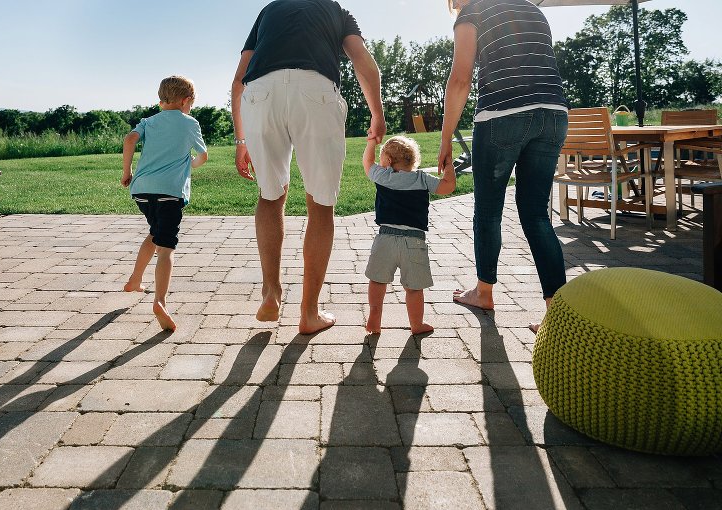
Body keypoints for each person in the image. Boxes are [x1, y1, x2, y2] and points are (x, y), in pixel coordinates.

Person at [231, 0, 386, 334]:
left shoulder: (270, 10)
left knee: (270, 196)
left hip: (260, 94)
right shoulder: (336, 11)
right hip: (315, 91)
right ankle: (309, 313)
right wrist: (377, 112)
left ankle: (271, 292)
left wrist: (241, 140)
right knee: (321, 204)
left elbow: (239, 79)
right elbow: (361, 59)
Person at [438, 0, 569, 332]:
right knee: (537, 213)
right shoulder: (533, 10)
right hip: (553, 114)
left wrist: (445, 139)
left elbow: (460, 79)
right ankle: (556, 315)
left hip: (501, 116)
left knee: (487, 210)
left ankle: (483, 293)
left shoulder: (472, 12)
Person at [121, 75, 208, 331]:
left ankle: (135, 280)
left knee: (155, 233)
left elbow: (129, 139)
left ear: (162, 100)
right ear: (186, 100)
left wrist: (127, 172)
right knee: (166, 248)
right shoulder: (189, 123)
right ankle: (160, 301)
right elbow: (203, 156)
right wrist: (190, 164)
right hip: (170, 193)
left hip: (142, 191)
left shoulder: (148, 121)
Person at [363, 135, 456, 334]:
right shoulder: (422, 178)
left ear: (388, 161)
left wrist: (371, 142)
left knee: (377, 281)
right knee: (414, 288)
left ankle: (374, 317)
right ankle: (416, 324)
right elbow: (448, 186)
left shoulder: (383, 175)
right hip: (414, 241)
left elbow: (367, 163)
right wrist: (449, 164)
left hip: (385, 239)